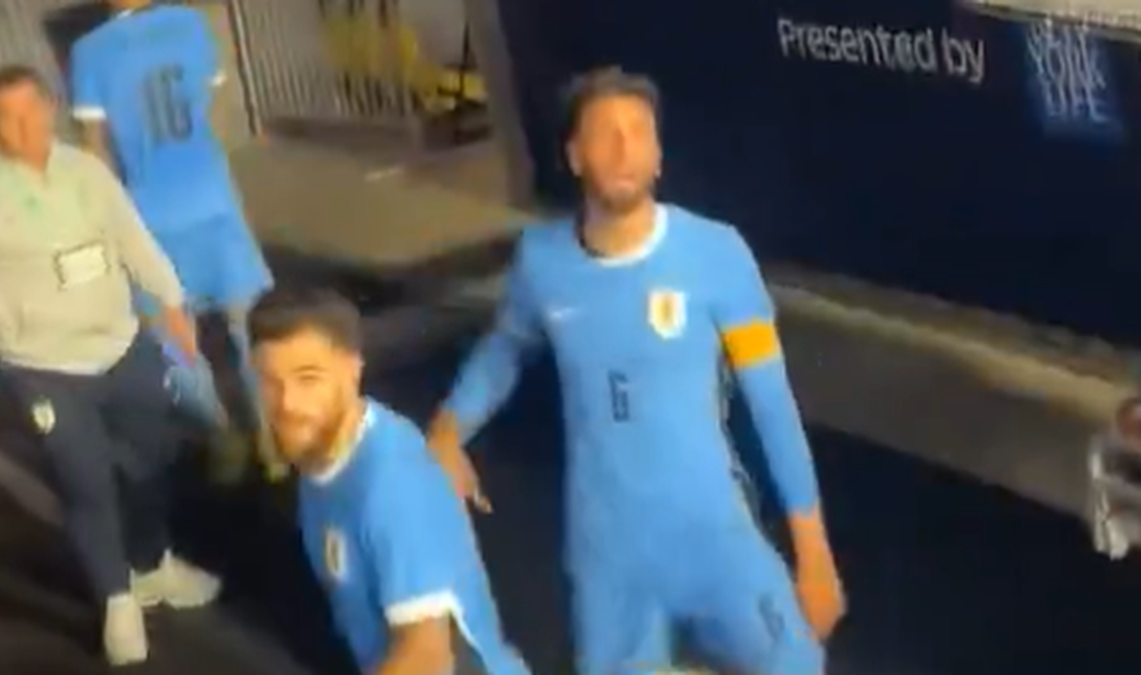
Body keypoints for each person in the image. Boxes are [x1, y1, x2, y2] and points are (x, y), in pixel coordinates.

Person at [426, 67, 845, 675]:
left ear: (659, 153)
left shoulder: (717, 254)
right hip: (609, 556)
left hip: (714, 538)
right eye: (606, 134)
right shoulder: (542, 262)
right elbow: (504, 349)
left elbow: (772, 406)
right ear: (575, 155)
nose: (625, 150)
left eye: (640, 133)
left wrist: (814, 553)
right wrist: (446, 430)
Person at [0, 64, 220, 666]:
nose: (23, 126)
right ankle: (117, 603)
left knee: (151, 463)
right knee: (86, 482)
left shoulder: (88, 173)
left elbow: (132, 237)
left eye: (31, 110)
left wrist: (171, 300)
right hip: (43, 370)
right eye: (7, 118)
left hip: (123, 350)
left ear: (51, 107)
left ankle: (151, 565)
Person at [248, 286, 529, 675]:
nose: (288, 404)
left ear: (353, 369)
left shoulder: (391, 487)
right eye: (269, 381)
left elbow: (429, 657)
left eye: (308, 379)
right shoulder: (323, 453)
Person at [68, 0, 279, 482]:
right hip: (214, 203)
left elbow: (97, 151)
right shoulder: (191, 23)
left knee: (175, 342)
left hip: (150, 220)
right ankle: (274, 440)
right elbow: (216, 114)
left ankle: (221, 436)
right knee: (253, 326)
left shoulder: (89, 51)